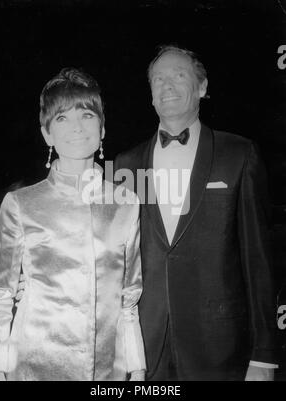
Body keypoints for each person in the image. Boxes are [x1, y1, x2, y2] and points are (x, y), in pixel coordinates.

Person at [114, 45, 277, 380]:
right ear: (151, 95)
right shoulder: (124, 165)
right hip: (145, 351)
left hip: (220, 349)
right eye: (158, 79)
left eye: (178, 75)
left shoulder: (239, 154)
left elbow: (258, 259)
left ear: (202, 87)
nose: (167, 85)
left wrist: (264, 356)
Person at [0, 68, 146, 381]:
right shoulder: (20, 204)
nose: (76, 127)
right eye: (62, 118)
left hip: (107, 372)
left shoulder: (126, 202)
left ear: (101, 128)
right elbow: (0, 298)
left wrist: (137, 368)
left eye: (86, 114)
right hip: (34, 367)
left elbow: (129, 298)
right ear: (47, 133)